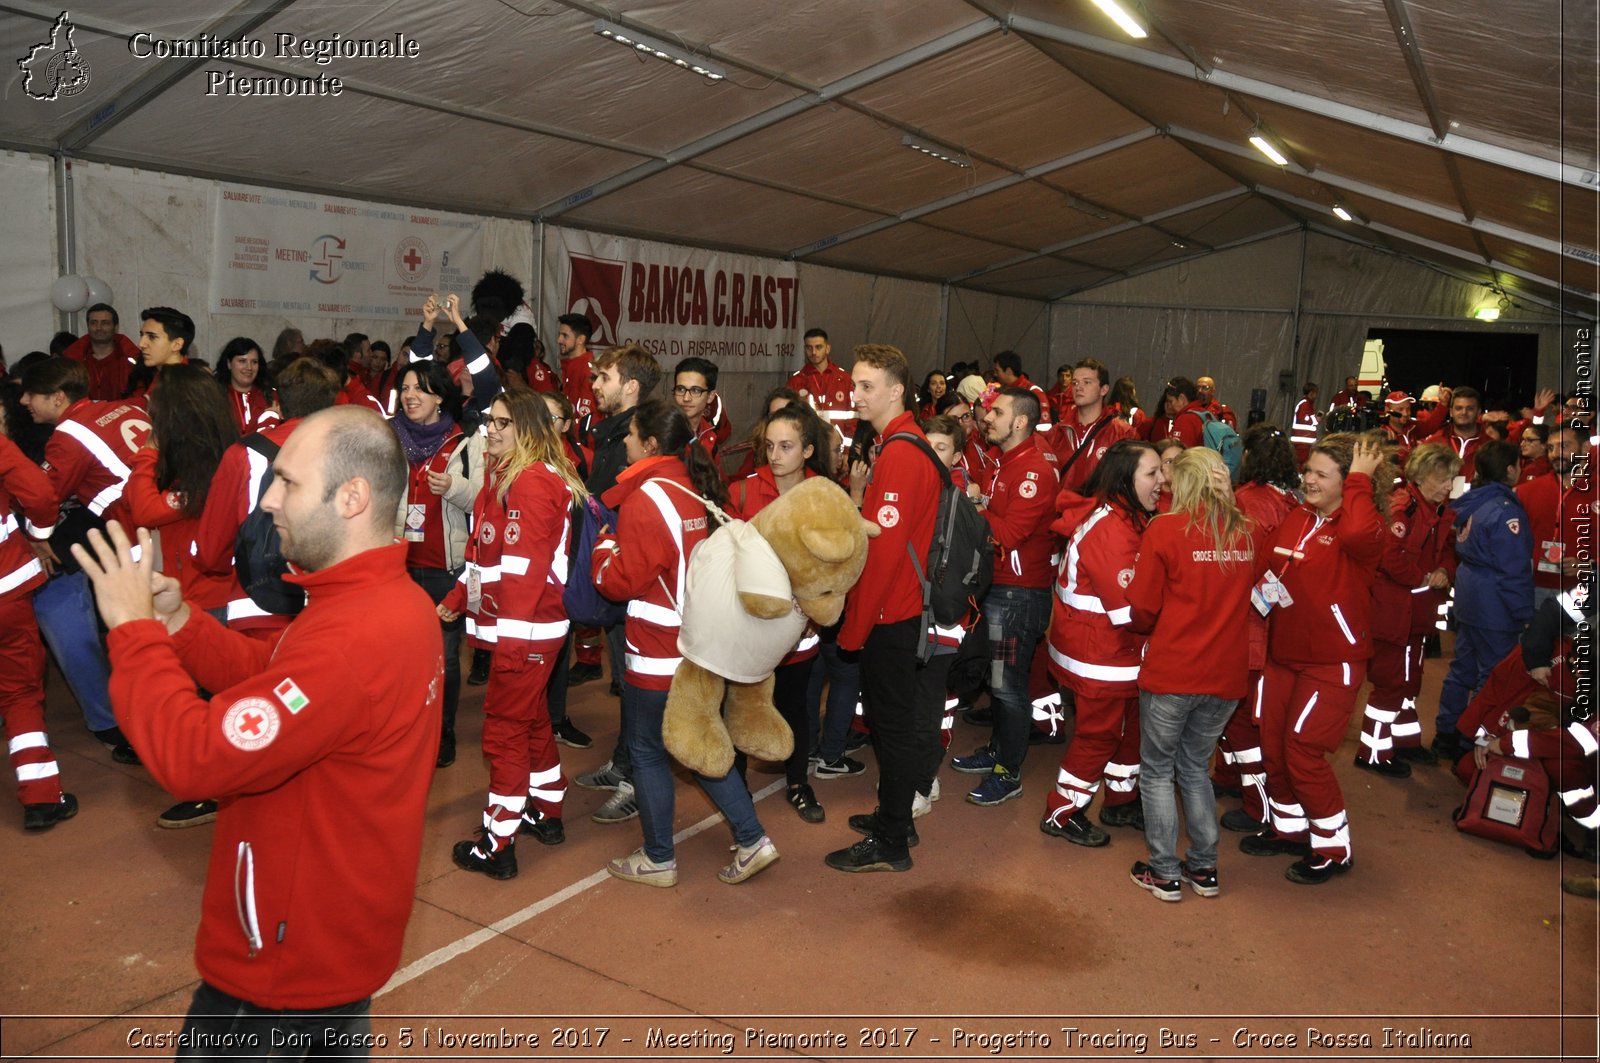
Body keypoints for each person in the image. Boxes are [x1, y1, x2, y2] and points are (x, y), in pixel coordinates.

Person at [74, 406, 441, 1051]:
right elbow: (276, 677)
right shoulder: (386, 601)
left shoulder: (350, 638)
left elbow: (195, 758)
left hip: (277, 969)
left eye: (288, 483)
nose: (268, 499)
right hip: (334, 941)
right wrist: (180, 623)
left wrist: (132, 634)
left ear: (351, 498)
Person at [597, 398, 779, 887]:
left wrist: (602, 549)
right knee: (695, 745)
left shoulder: (647, 498)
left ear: (651, 443)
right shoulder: (688, 487)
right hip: (694, 643)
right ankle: (752, 837)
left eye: (632, 435)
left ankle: (659, 857)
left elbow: (620, 582)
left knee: (648, 750)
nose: (627, 443)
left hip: (657, 651)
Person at [443, 390, 581, 879]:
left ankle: (498, 844)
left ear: (527, 429)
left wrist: (512, 646)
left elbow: (525, 572)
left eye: (504, 422)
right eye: (490, 420)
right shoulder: (505, 476)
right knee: (532, 720)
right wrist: (457, 599)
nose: (492, 429)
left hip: (525, 631)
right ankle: (546, 807)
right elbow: (487, 557)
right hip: (521, 628)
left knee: (503, 732)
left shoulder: (530, 483)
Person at [1241, 433, 1389, 885]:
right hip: (1284, 655)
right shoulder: (1298, 516)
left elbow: (1358, 532)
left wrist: (1361, 483)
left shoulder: (1363, 527)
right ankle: (1289, 829)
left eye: (1322, 474)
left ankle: (1332, 847)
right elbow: (1270, 570)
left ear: (1349, 483)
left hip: (1332, 662)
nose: (1308, 479)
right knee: (1273, 745)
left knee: (1303, 751)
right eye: (1308, 470)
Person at [827, 344, 950, 873]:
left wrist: (854, 629)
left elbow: (882, 554)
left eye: (866, 386)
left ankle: (893, 838)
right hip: (896, 610)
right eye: (855, 384)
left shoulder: (901, 452)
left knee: (892, 729)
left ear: (897, 390)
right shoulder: (901, 444)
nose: (856, 395)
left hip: (891, 615)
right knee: (891, 725)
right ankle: (893, 816)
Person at [1123, 448, 1257, 901]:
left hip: (1174, 671)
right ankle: (1204, 868)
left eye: (1169, 475)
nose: (1163, 482)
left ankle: (1164, 871)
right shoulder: (1243, 531)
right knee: (1195, 769)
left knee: (1158, 771)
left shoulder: (1164, 530)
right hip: (1225, 676)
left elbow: (1142, 608)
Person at [19, 356, 150, 761]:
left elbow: (42, 496)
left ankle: (132, 723)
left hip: (131, 532)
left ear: (58, 397)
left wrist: (39, 538)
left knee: (138, 633)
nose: (25, 401)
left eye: (32, 394)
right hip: (158, 523)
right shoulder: (124, 407)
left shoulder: (68, 435)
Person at [1040, 440, 1162, 847]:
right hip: (1100, 654)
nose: (1162, 481)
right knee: (1099, 735)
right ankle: (1062, 811)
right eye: (1152, 473)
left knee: (1130, 731)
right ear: (1126, 480)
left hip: (1114, 651)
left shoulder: (1129, 518)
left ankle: (1121, 798)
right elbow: (1129, 612)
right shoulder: (1112, 529)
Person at [949, 387, 1057, 806]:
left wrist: (972, 506)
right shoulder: (1008, 460)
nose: (986, 416)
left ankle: (1007, 773)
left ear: (1020, 422)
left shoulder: (1032, 471)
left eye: (996, 411)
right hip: (1005, 589)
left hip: (1018, 595)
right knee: (999, 683)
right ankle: (998, 752)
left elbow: (1008, 535)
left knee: (1009, 688)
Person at [728, 402, 835, 823]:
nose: (775, 455)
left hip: (799, 630)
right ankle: (734, 788)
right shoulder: (743, 490)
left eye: (786, 446)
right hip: (750, 626)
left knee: (796, 707)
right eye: (770, 445)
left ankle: (798, 783)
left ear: (808, 450)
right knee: (738, 707)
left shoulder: (823, 495)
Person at [572, 343, 663, 825]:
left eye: (603, 377)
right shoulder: (610, 434)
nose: (595, 384)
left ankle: (635, 779)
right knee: (625, 681)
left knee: (638, 682)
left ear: (630, 386)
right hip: (619, 576)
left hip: (640, 583)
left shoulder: (643, 439)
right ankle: (626, 762)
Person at [391, 360, 485, 769]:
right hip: (398, 567)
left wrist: (456, 487)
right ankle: (406, 726)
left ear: (439, 398)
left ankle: (443, 731)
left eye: (420, 389)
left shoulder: (465, 444)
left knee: (445, 657)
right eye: (406, 388)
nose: (410, 396)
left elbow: (486, 500)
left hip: (446, 567)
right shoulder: (389, 440)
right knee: (401, 655)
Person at [1212, 423, 1301, 833]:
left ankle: (1258, 803)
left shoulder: (1245, 502)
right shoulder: (1292, 503)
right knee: (1240, 712)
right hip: (1273, 625)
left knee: (1239, 717)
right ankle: (1230, 778)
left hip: (1244, 628)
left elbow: (1235, 569)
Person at [1356, 443, 1459, 777]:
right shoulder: (1405, 507)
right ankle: (1373, 753)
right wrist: (1426, 577)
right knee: (1391, 683)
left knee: (1409, 680)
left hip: (1416, 614)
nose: (1449, 486)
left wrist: (1445, 570)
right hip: (1395, 614)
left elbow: (1446, 550)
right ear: (1424, 474)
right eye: (1444, 478)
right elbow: (1390, 557)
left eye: (1452, 479)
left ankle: (1405, 741)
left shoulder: (1437, 510)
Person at [1432, 440, 1533, 761]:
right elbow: (1513, 569)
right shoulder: (1504, 512)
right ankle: (1470, 741)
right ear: (1509, 469)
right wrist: (1524, 612)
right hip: (1494, 605)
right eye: (1518, 463)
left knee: (1461, 668)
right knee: (1491, 676)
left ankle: (1446, 734)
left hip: (1468, 595)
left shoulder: (1470, 502)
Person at [0, 402, 75, 829]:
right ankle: (42, 798)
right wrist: (39, 534)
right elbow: (40, 493)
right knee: (20, 695)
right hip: (6, 592)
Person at [1516, 425, 1587, 614]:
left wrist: (1590, 565)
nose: (1556, 454)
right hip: (1532, 589)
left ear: (1585, 448)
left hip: (1583, 591)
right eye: (1550, 448)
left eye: (1564, 446)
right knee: (1529, 643)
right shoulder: (1526, 491)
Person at [1047, 357, 1138, 496]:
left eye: (1087, 382)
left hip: (1100, 514)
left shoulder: (1123, 434)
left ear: (1104, 390)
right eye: (1075, 382)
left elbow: (1129, 484)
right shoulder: (1056, 433)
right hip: (1062, 513)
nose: (1078, 387)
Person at [788, 328, 857, 450]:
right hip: (807, 448)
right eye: (809, 348)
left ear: (827, 348)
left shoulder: (844, 379)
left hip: (837, 449)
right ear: (804, 349)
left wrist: (846, 451)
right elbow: (789, 419)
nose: (813, 352)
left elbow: (853, 418)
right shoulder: (796, 381)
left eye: (818, 347)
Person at [60, 302, 138, 401]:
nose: (99, 328)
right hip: (83, 415)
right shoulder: (71, 362)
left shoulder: (132, 361)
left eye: (105, 323)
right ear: (88, 326)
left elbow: (139, 395)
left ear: (116, 327)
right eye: (93, 323)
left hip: (124, 414)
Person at [1421, 385, 1483, 497]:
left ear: (1478, 412)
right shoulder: (1434, 443)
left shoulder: (1489, 446)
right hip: (1438, 511)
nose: (1464, 412)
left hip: (1476, 510)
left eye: (1470, 408)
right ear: (1450, 412)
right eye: (1458, 408)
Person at [213, 337, 274, 435]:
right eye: (242, 361)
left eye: (254, 362)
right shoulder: (215, 396)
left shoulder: (272, 395)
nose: (249, 367)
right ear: (229, 364)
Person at [672, 356, 721, 459]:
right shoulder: (661, 434)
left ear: (710, 396)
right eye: (680, 389)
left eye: (695, 390)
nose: (686, 398)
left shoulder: (709, 436)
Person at [991, 351, 1051, 431]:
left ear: (1008, 371)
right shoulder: (1001, 391)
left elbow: (1044, 428)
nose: (995, 374)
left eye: (997, 370)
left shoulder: (1033, 392)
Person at [556, 312, 598, 426]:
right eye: (559, 334)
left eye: (565, 336)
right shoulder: (571, 366)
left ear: (580, 339)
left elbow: (587, 417)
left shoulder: (587, 371)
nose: (559, 340)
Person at [1291, 383, 1320, 465]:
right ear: (1311, 393)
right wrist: (1316, 420)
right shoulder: (1305, 404)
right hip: (1302, 442)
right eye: (1315, 393)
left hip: (1304, 442)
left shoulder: (1307, 404)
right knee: (1301, 463)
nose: (1316, 396)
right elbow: (1304, 419)